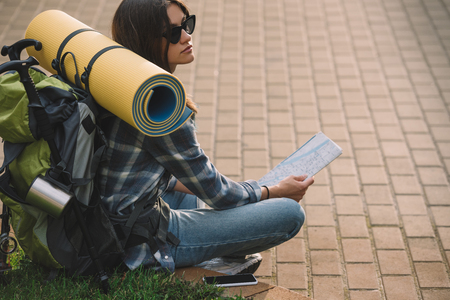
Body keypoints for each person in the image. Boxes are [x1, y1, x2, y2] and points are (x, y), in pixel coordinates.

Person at [97, 0, 314, 274]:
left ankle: (212, 241)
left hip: (103, 214)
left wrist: (228, 191)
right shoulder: (161, 106)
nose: (187, 37)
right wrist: (271, 192)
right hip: (136, 239)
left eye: (187, 25)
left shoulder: (110, 77)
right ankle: (204, 255)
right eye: (175, 32)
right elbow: (220, 195)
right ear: (147, 40)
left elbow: (138, 169)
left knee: (196, 196)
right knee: (288, 213)